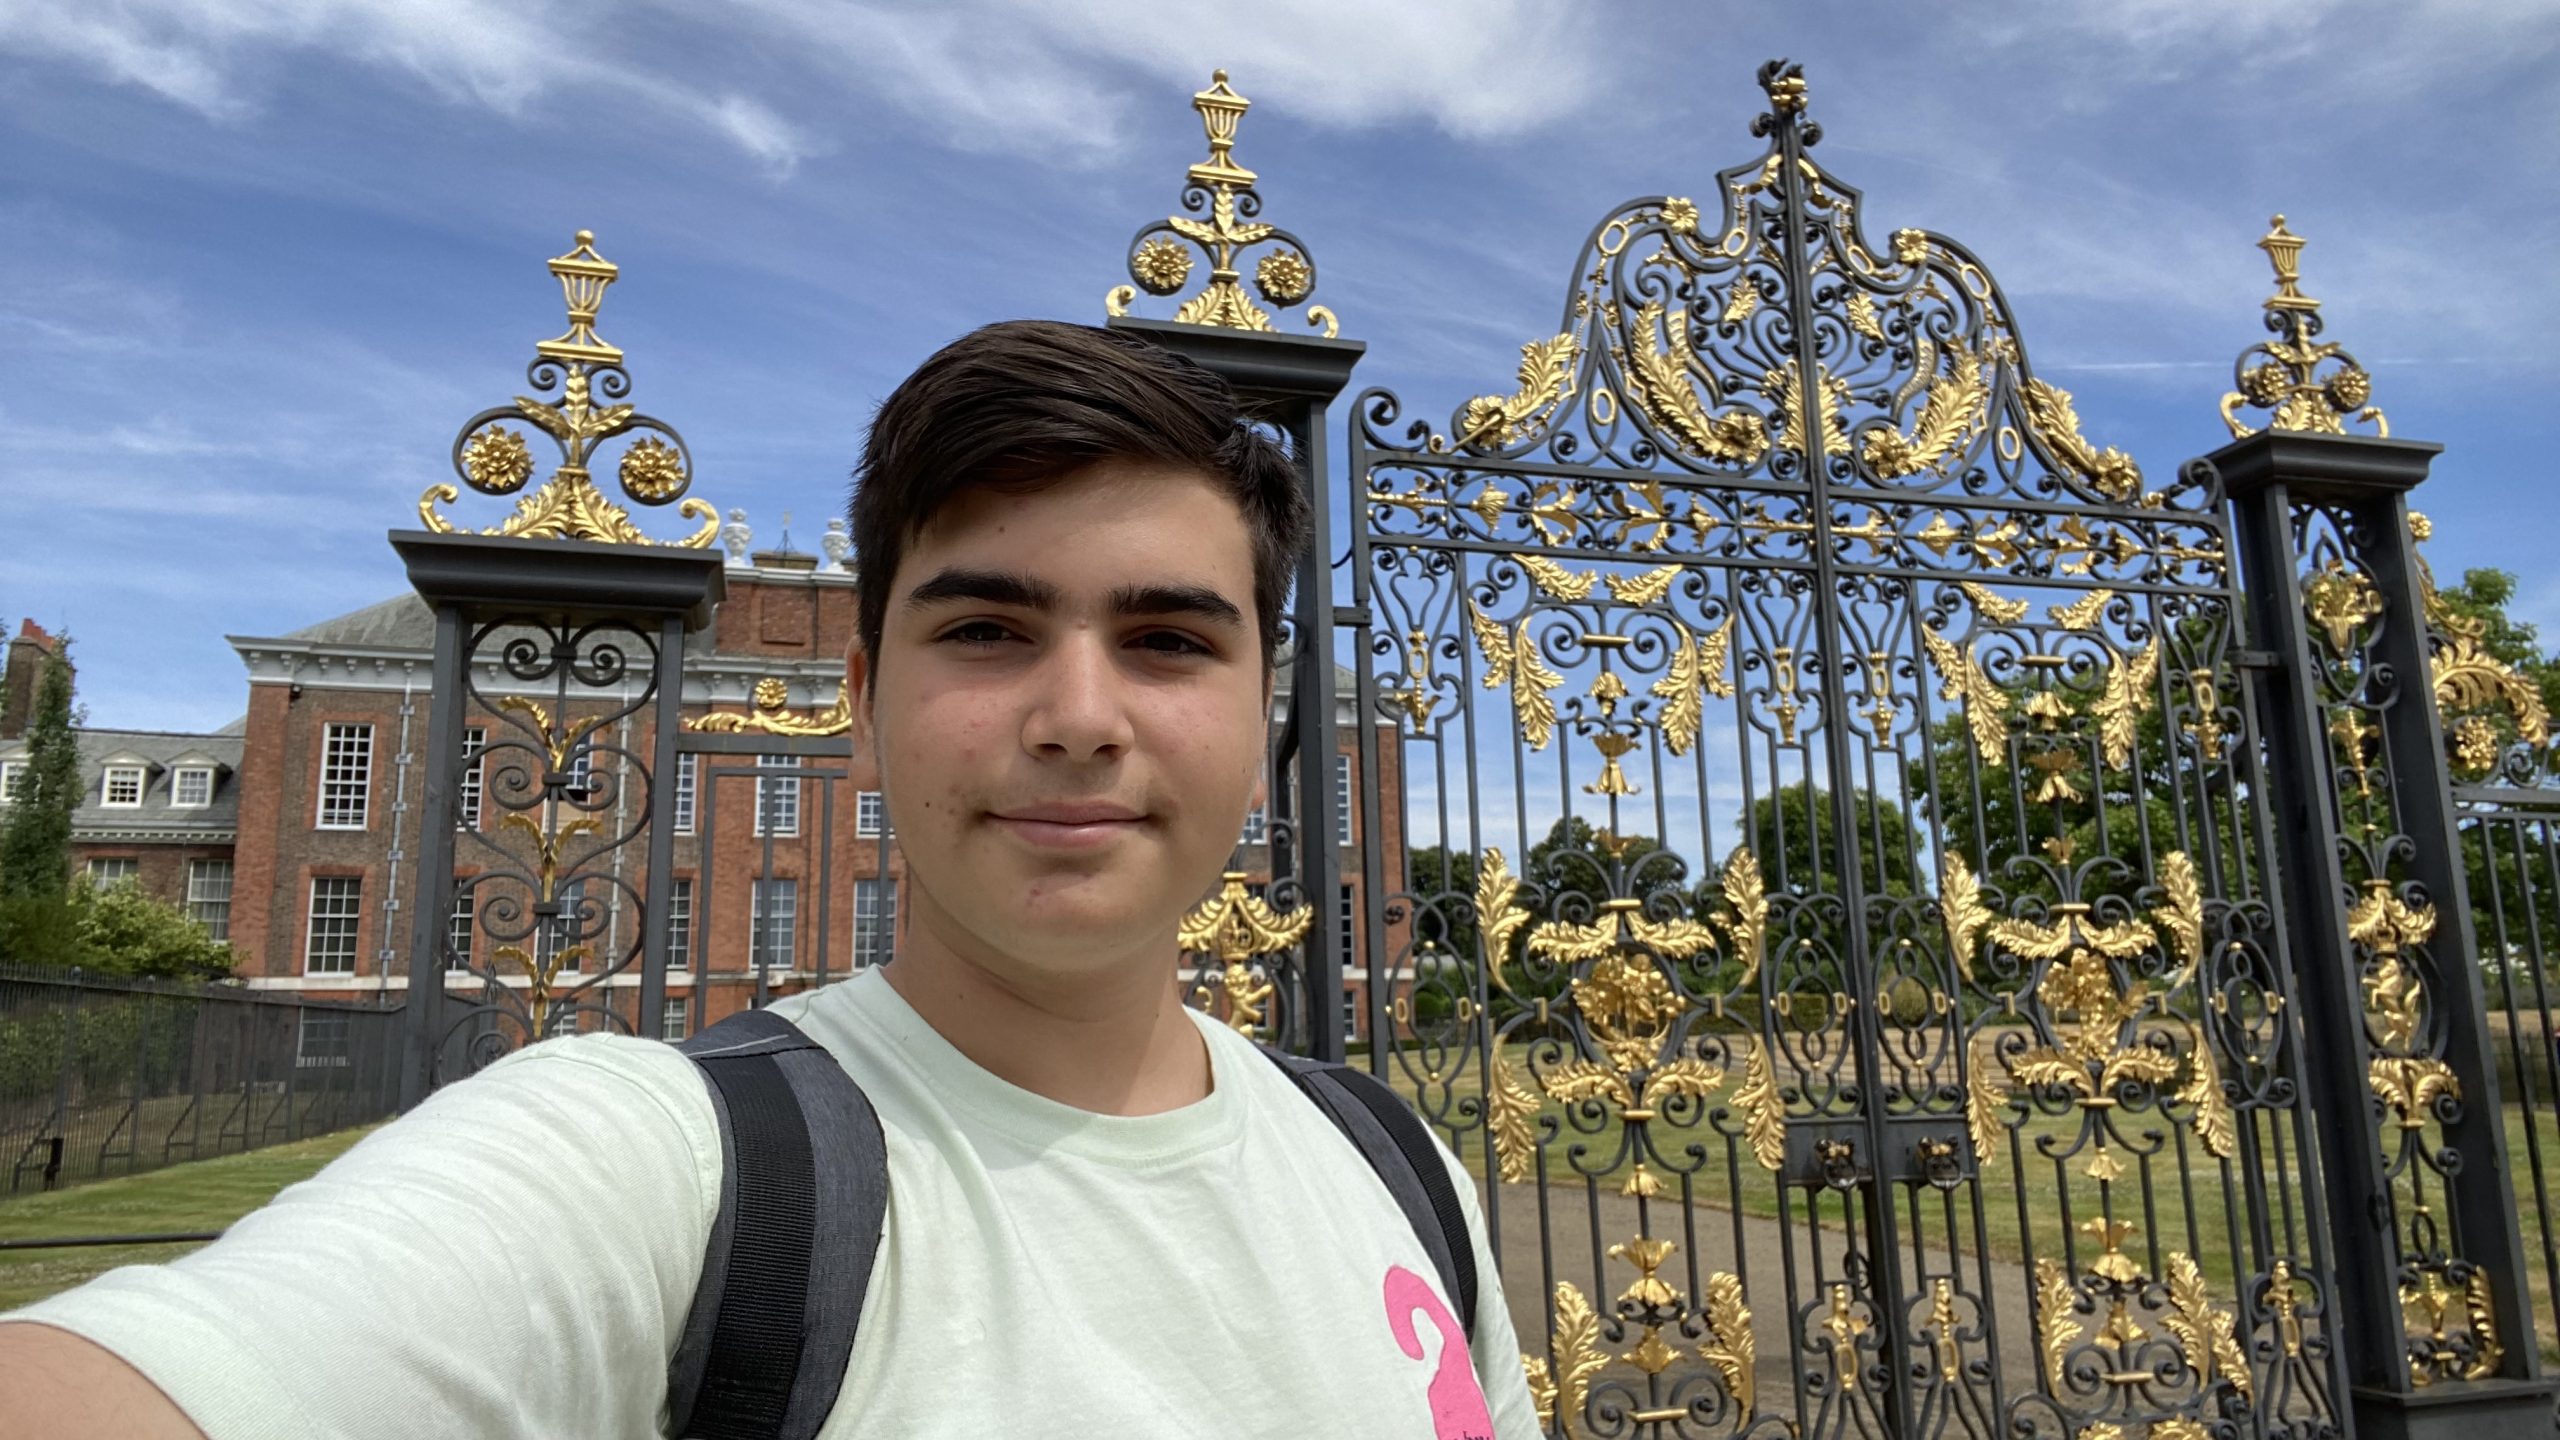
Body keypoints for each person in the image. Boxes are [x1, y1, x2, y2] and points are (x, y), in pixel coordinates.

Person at [0, 320, 1540, 1439]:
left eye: (1167, 639)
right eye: (987, 631)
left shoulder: (1401, 1172)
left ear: (1266, 718)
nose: (1080, 716)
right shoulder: (659, 1167)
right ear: (860, 705)